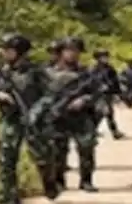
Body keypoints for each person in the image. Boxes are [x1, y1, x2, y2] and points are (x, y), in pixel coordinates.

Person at [0, 32, 58, 204]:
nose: (3, 53)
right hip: (10, 121)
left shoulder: (37, 72)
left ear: (18, 51)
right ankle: (10, 198)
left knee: (43, 157)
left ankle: (50, 183)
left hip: (34, 121)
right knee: (5, 159)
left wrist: (36, 112)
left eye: (7, 49)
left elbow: (51, 95)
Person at [43, 36, 100, 192]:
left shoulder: (86, 73)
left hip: (81, 116)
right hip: (58, 117)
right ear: (61, 52)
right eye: (69, 50)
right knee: (58, 150)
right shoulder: (48, 73)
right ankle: (59, 181)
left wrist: (84, 100)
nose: (73, 54)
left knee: (87, 147)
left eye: (76, 51)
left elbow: (96, 92)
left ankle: (86, 180)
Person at [91, 48, 124, 139]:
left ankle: (93, 130)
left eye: (106, 56)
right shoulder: (94, 69)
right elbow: (91, 81)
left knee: (105, 113)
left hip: (108, 94)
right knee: (105, 113)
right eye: (103, 57)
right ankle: (114, 132)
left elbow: (115, 81)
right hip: (99, 95)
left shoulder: (110, 68)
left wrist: (118, 94)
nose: (105, 58)